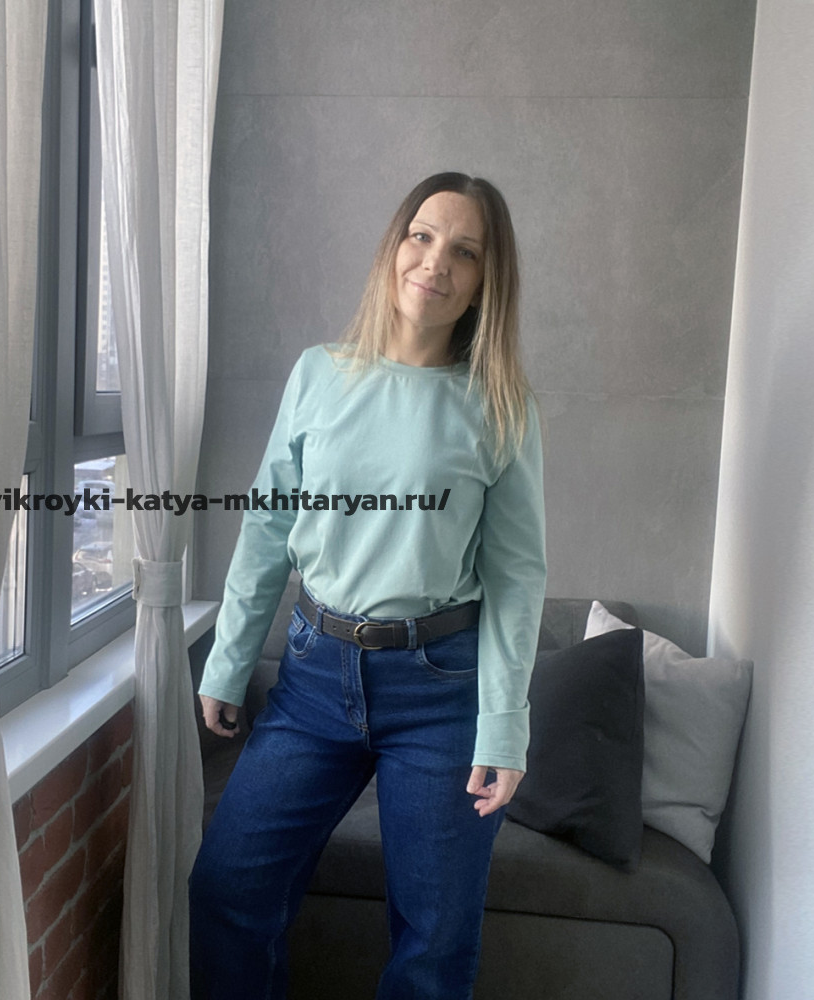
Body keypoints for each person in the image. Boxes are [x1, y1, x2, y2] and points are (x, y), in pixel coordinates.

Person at [190, 172, 547, 999]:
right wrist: (229, 661)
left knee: (433, 947)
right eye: (422, 236)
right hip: (314, 678)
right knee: (227, 891)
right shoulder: (318, 374)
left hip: (441, 692)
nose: (436, 262)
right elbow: (269, 524)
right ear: (394, 247)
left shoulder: (501, 407)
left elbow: (516, 577)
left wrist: (505, 728)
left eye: (465, 251)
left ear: (486, 281)